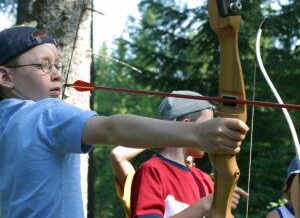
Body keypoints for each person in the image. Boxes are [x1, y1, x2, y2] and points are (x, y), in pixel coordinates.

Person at [0, 26, 249, 218]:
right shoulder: (45, 114)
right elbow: (111, 129)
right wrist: (198, 133)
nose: (57, 74)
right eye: (44, 65)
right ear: (5, 77)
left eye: (57, 64)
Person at [130, 91, 248, 218]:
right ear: (187, 124)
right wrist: (207, 203)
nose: (214, 132)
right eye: (208, 125)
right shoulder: (152, 170)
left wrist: (222, 201)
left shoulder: (204, 180)